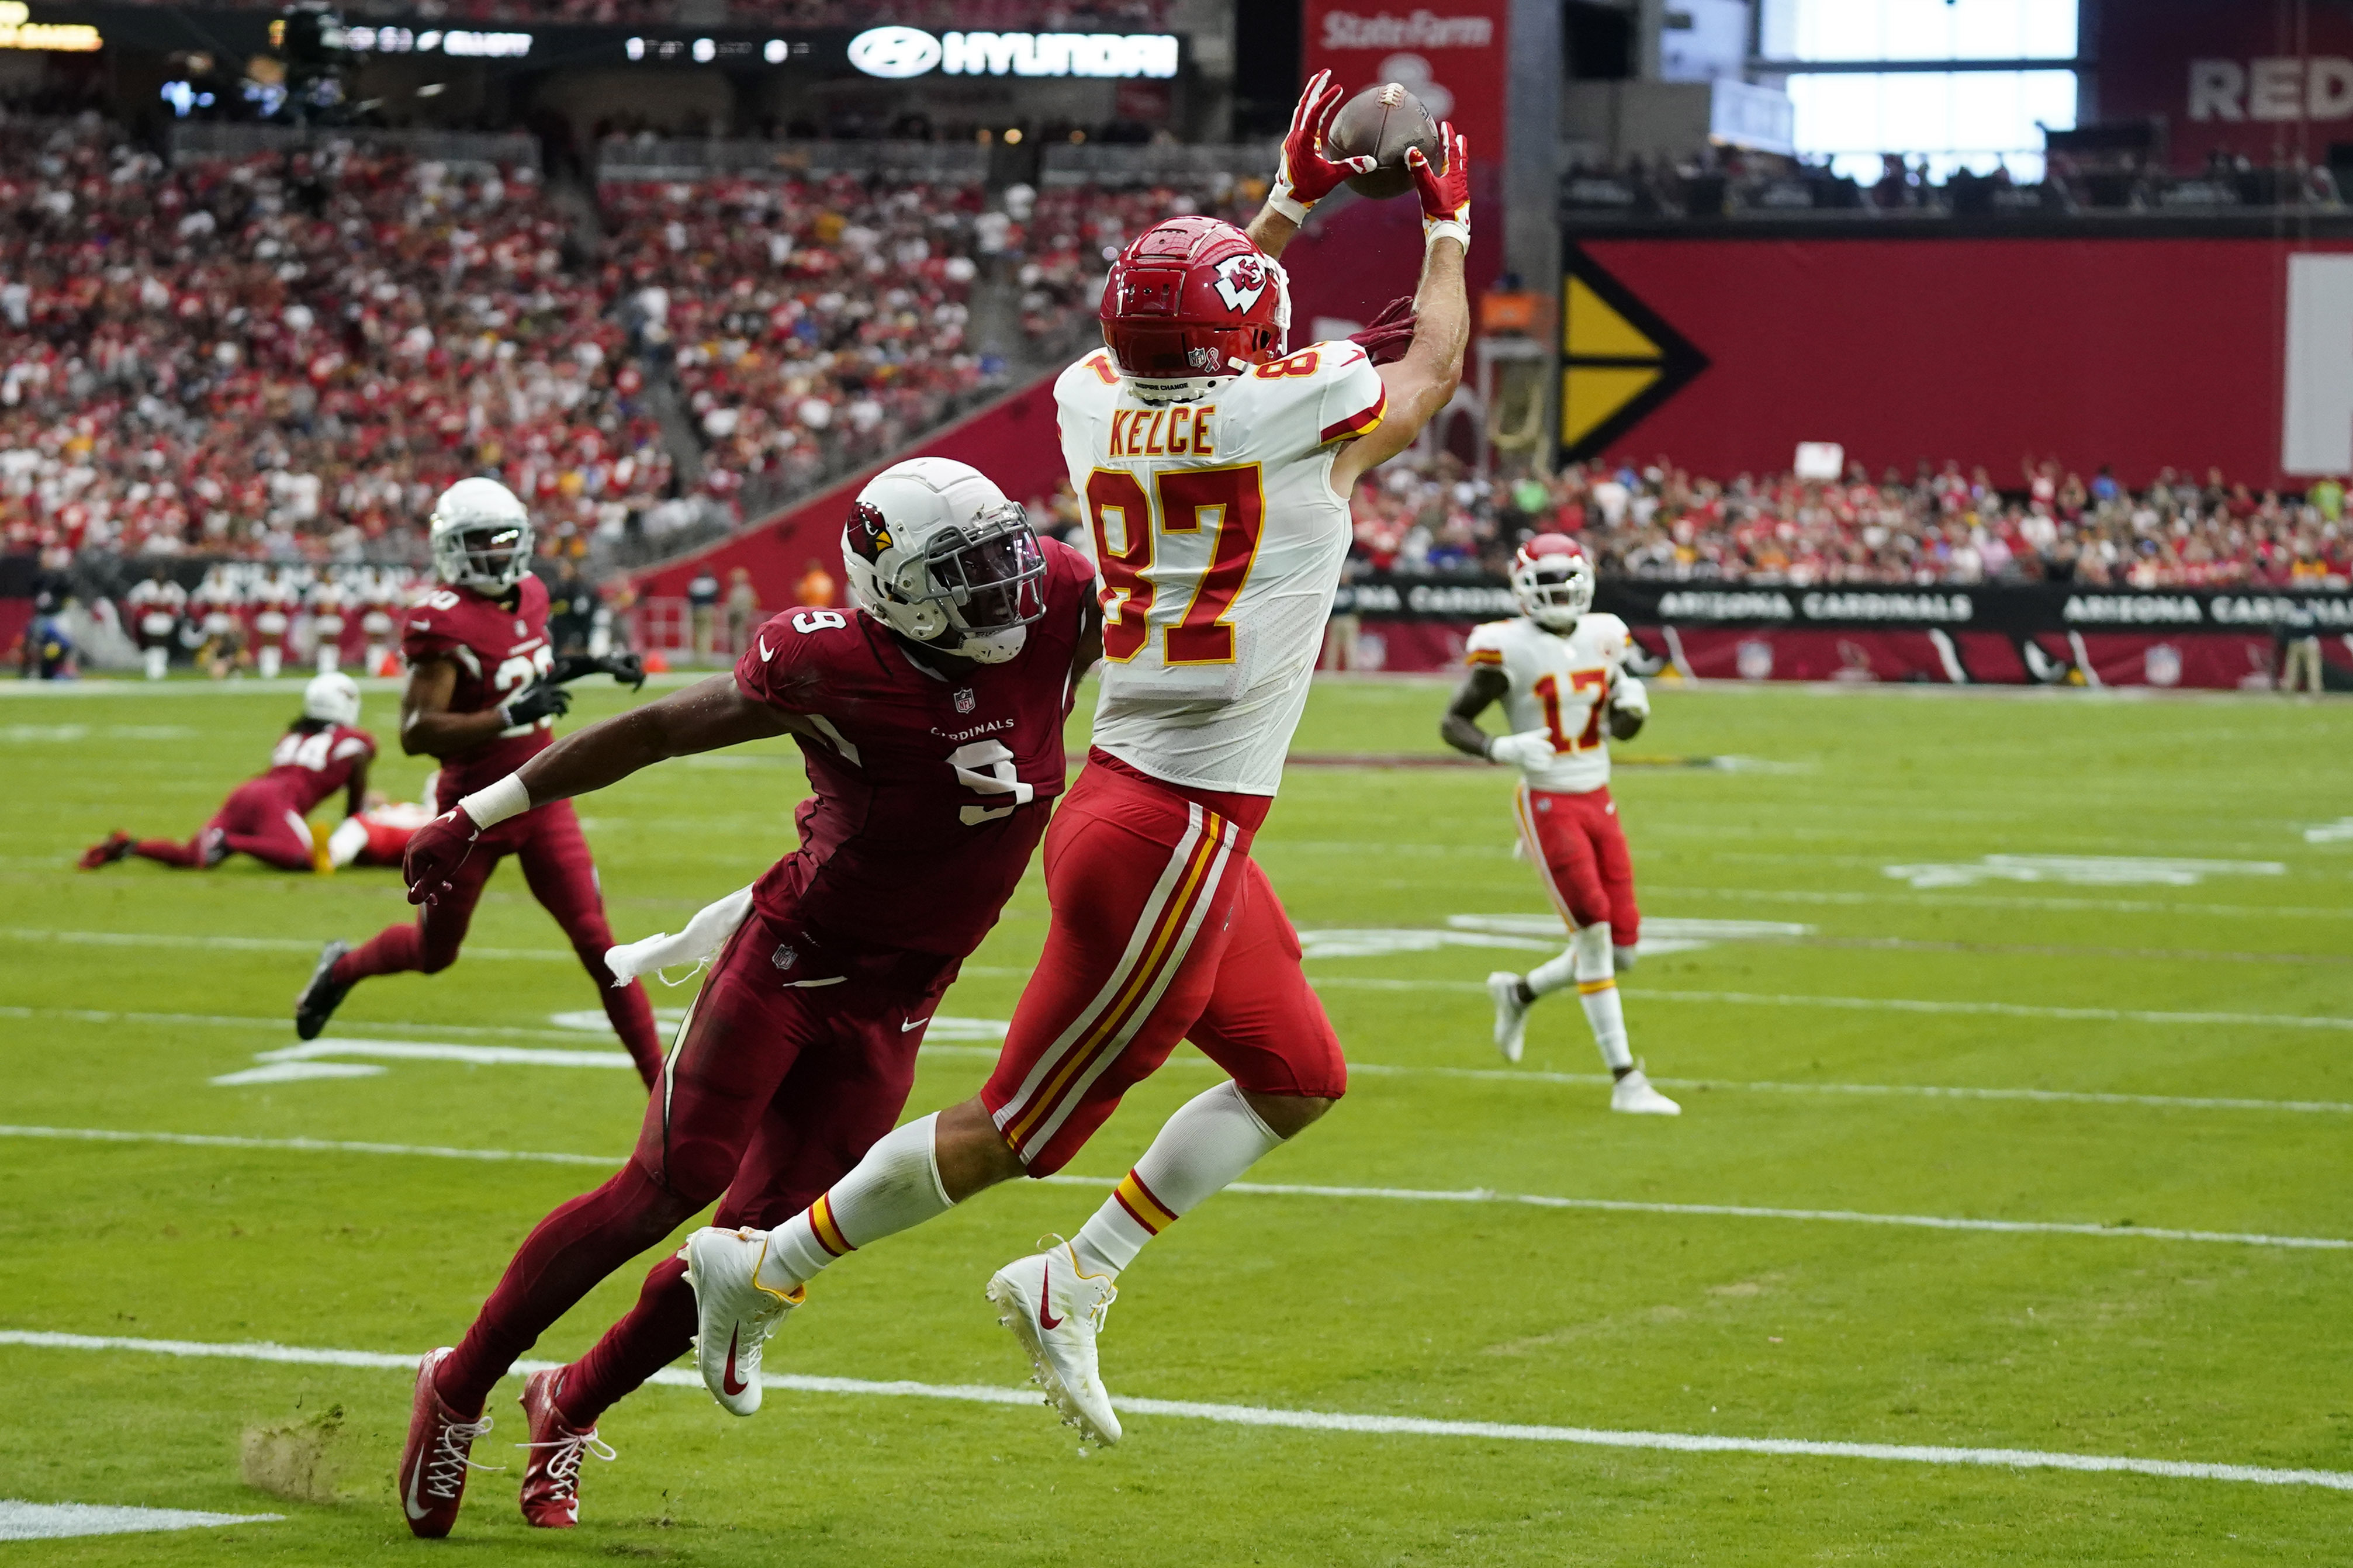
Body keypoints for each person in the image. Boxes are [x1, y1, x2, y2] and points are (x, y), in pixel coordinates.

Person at [675, 72, 1471, 1448]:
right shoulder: (1286, 420)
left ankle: (1076, 1273)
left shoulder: (1090, 397)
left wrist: (1282, 209)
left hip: (1161, 812)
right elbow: (1434, 366)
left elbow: (1187, 334)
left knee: (1298, 1074)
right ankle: (762, 1265)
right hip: (1167, 829)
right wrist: (1442, 219)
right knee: (1016, 1131)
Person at [387, 459, 1099, 1536]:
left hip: (904, 993)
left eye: (1003, 553)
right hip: (791, 958)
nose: (1006, 587)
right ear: (898, 588)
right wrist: (482, 810)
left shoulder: (1061, 604)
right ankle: (461, 1380)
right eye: (966, 571)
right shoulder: (829, 662)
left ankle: (570, 1399)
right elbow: (659, 731)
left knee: (756, 1254)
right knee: (669, 1187)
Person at [291, 478, 663, 1082]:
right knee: (434, 954)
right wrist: (507, 716)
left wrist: (596, 664)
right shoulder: (443, 622)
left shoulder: (532, 594)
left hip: (542, 794)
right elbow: (418, 731)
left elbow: (527, 669)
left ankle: (663, 1097)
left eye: (505, 538)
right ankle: (342, 970)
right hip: (475, 811)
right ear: (453, 549)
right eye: (481, 541)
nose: (496, 551)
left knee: (602, 946)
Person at [1440, 535, 1678, 1114]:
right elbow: (1454, 721)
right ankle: (1626, 1079)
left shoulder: (1606, 636)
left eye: (1564, 583)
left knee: (1623, 951)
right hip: (1548, 802)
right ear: (1523, 590)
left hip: (1599, 795)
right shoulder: (1507, 647)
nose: (1557, 595)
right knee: (1593, 936)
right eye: (1544, 585)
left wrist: (1633, 711)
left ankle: (1518, 992)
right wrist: (1499, 747)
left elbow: (1619, 731)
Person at [80, 673, 374, 873]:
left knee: (191, 857)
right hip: (276, 801)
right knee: (306, 859)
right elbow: (354, 803)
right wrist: (355, 828)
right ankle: (230, 842)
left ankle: (129, 846)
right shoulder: (356, 743)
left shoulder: (292, 735)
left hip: (249, 791)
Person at [125, 566, 186, 681]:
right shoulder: (146, 586)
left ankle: (161, 666)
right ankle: (152, 666)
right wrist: (145, 609)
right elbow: (133, 598)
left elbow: (182, 599)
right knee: (152, 643)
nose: (160, 576)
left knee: (162, 643)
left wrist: (171, 607)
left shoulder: (172, 587)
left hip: (165, 618)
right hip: (151, 618)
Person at [686, 567, 720, 664]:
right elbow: (717, 595)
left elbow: (689, 596)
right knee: (707, 633)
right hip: (708, 609)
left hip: (696, 609)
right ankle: (705, 657)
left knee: (697, 633)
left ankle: (697, 656)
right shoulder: (712, 583)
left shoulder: (694, 583)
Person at [723, 566, 759, 656]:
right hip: (740, 615)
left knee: (738, 636)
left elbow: (752, 602)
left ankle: (739, 655)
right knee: (737, 636)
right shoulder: (746, 590)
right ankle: (738, 655)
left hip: (740, 615)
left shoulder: (740, 590)